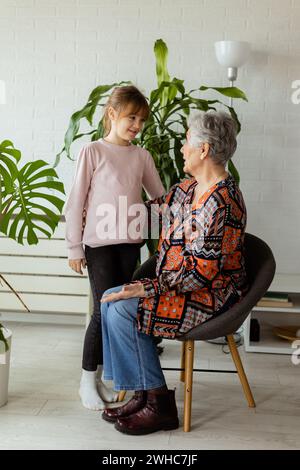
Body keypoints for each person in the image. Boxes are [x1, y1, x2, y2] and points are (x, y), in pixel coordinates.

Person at [100, 110, 248, 435]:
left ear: (204, 150)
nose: (182, 148)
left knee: (124, 309)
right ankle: (141, 393)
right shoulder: (187, 190)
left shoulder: (223, 202)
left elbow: (201, 274)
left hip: (209, 296)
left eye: (186, 142)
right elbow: (150, 216)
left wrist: (147, 289)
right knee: (110, 298)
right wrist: (102, 207)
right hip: (175, 285)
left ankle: (159, 406)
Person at [65, 85, 165, 410]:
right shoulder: (92, 151)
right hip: (98, 246)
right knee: (101, 311)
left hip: (129, 245)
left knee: (118, 314)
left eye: (142, 119)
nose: (137, 124)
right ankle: (86, 382)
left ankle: (112, 379)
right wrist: (74, 248)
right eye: (131, 117)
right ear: (112, 113)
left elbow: (160, 197)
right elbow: (76, 201)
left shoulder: (142, 156)